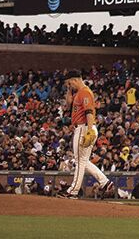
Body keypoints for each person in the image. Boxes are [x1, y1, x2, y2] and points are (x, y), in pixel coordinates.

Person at [58, 70, 116, 199]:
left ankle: (73, 191)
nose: (69, 86)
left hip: (84, 127)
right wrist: (68, 90)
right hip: (82, 127)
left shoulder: (85, 92)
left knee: (79, 161)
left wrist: (89, 130)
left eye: (69, 83)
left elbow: (89, 112)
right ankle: (105, 182)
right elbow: (68, 106)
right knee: (83, 161)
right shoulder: (78, 93)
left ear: (74, 80)